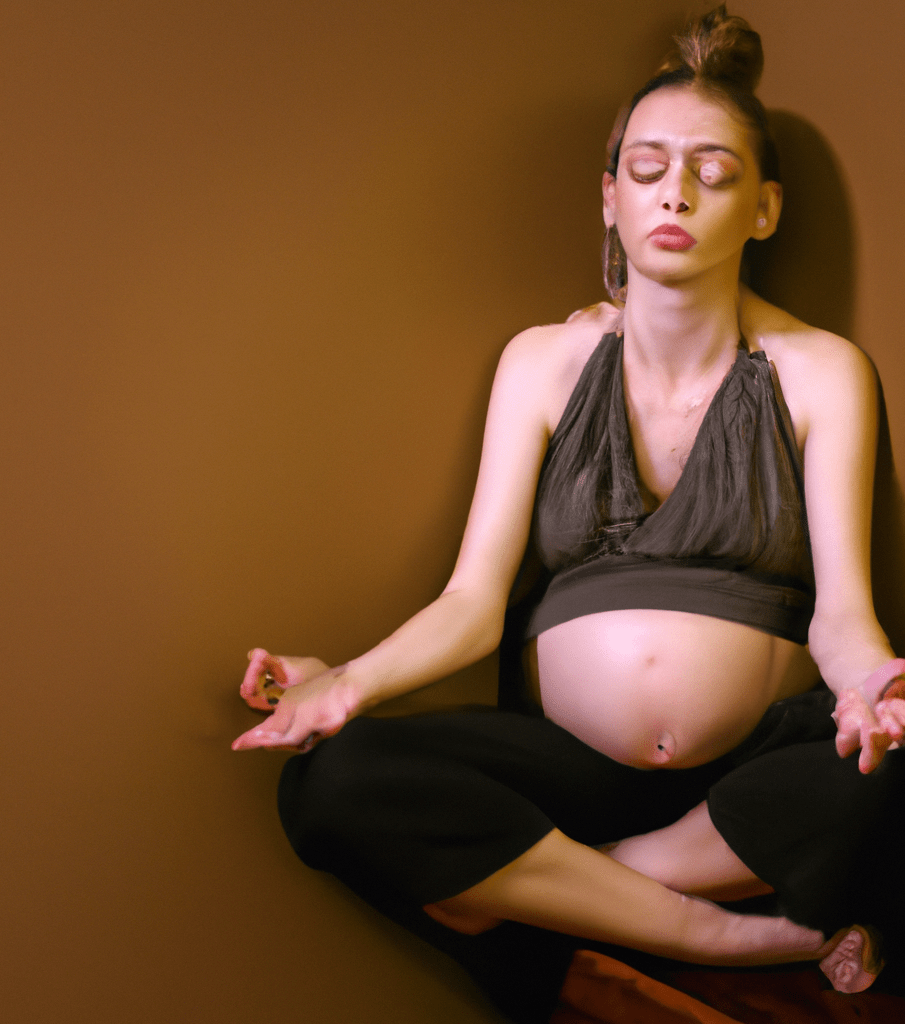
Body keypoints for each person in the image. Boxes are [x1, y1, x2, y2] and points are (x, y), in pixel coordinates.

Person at [232, 7, 905, 1023]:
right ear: (608, 197)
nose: (675, 189)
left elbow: (841, 612)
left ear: (763, 210)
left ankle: (563, 903)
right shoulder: (540, 360)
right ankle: (716, 933)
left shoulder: (822, 371)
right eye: (645, 166)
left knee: (894, 772)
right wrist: (350, 685)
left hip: (753, 771)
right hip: (565, 771)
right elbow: (471, 601)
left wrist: (869, 691)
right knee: (334, 784)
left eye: (713, 171)